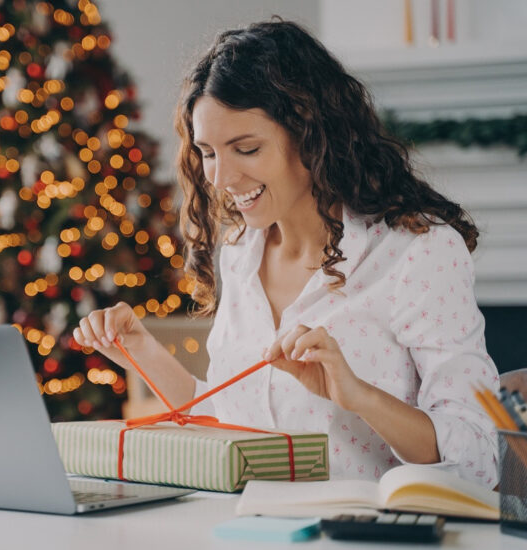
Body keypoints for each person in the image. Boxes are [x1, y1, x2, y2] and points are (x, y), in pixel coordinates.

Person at [72, 19, 499, 487]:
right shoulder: (239, 252)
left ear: (314, 136)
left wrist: (357, 395)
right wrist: (139, 350)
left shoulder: (418, 252)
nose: (219, 179)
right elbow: (228, 420)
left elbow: (479, 457)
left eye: (247, 148)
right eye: (208, 153)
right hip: (243, 527)